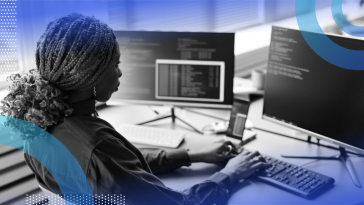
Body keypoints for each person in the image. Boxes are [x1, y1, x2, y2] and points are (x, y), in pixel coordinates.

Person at [0, 13, 267, 205]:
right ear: (91, 78)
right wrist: (230, 174)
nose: (120, 72)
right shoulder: (97, 147)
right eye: (115, 65)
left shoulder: (43, 119)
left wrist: (192, 155)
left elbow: (120, 169)